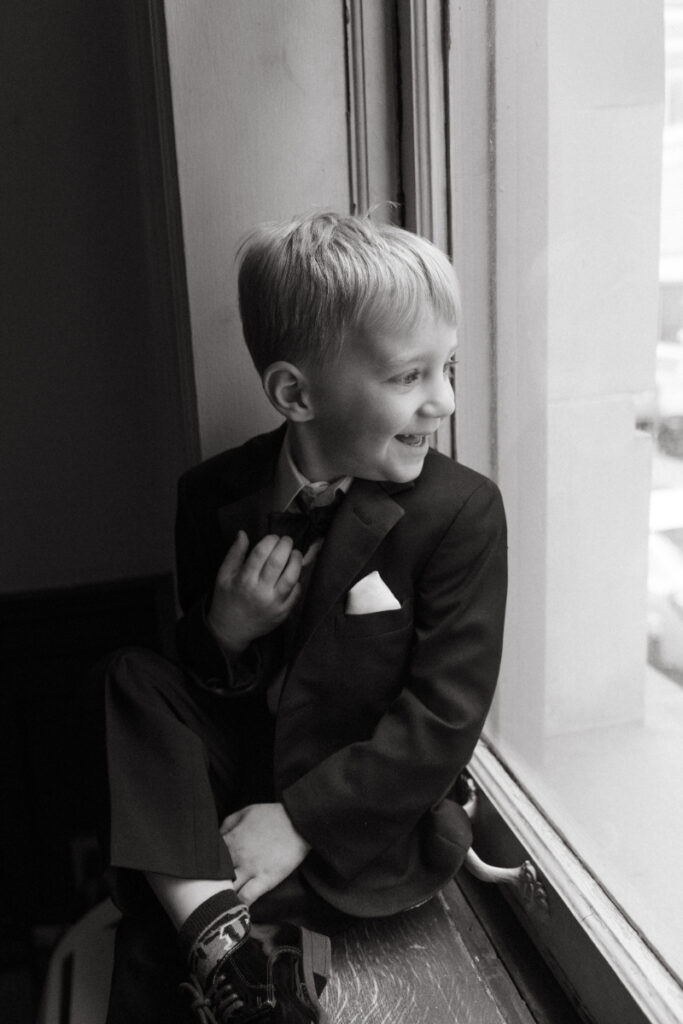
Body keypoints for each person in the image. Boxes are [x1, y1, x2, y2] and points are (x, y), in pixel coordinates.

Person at [99, 212, 507, 1023]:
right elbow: (199, 694)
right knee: (131, 678)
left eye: (448, 367)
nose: (444, 401)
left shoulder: (461, 512)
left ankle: (217, 940)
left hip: (353, 818)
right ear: (295, 392)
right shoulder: (212, 495)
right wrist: (229, 630)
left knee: (165, 933)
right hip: (238, 785)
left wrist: (301, 820)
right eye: (407, 377)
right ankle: (221, 944)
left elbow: (442, 719)